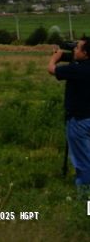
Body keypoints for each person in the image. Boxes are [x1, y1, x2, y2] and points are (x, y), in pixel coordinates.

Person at [49, 37, 90, 190]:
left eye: (78, 48)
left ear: (85, 53)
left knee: (83, 161)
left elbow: (51, 70)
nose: (74, 50)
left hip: (79, 121)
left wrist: (55, 58)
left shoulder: (78, 70)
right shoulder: (81, 66)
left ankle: (86, 202)